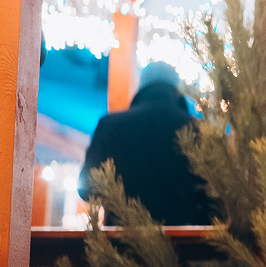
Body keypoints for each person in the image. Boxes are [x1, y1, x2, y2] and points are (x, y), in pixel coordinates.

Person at [79, 62, 214, 225]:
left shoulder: (110, 126)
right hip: (182, 244)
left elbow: (87, 189)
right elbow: (212, 199)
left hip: (120, 243)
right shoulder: (198, 130)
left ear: (141, 87)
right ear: (177, 90)